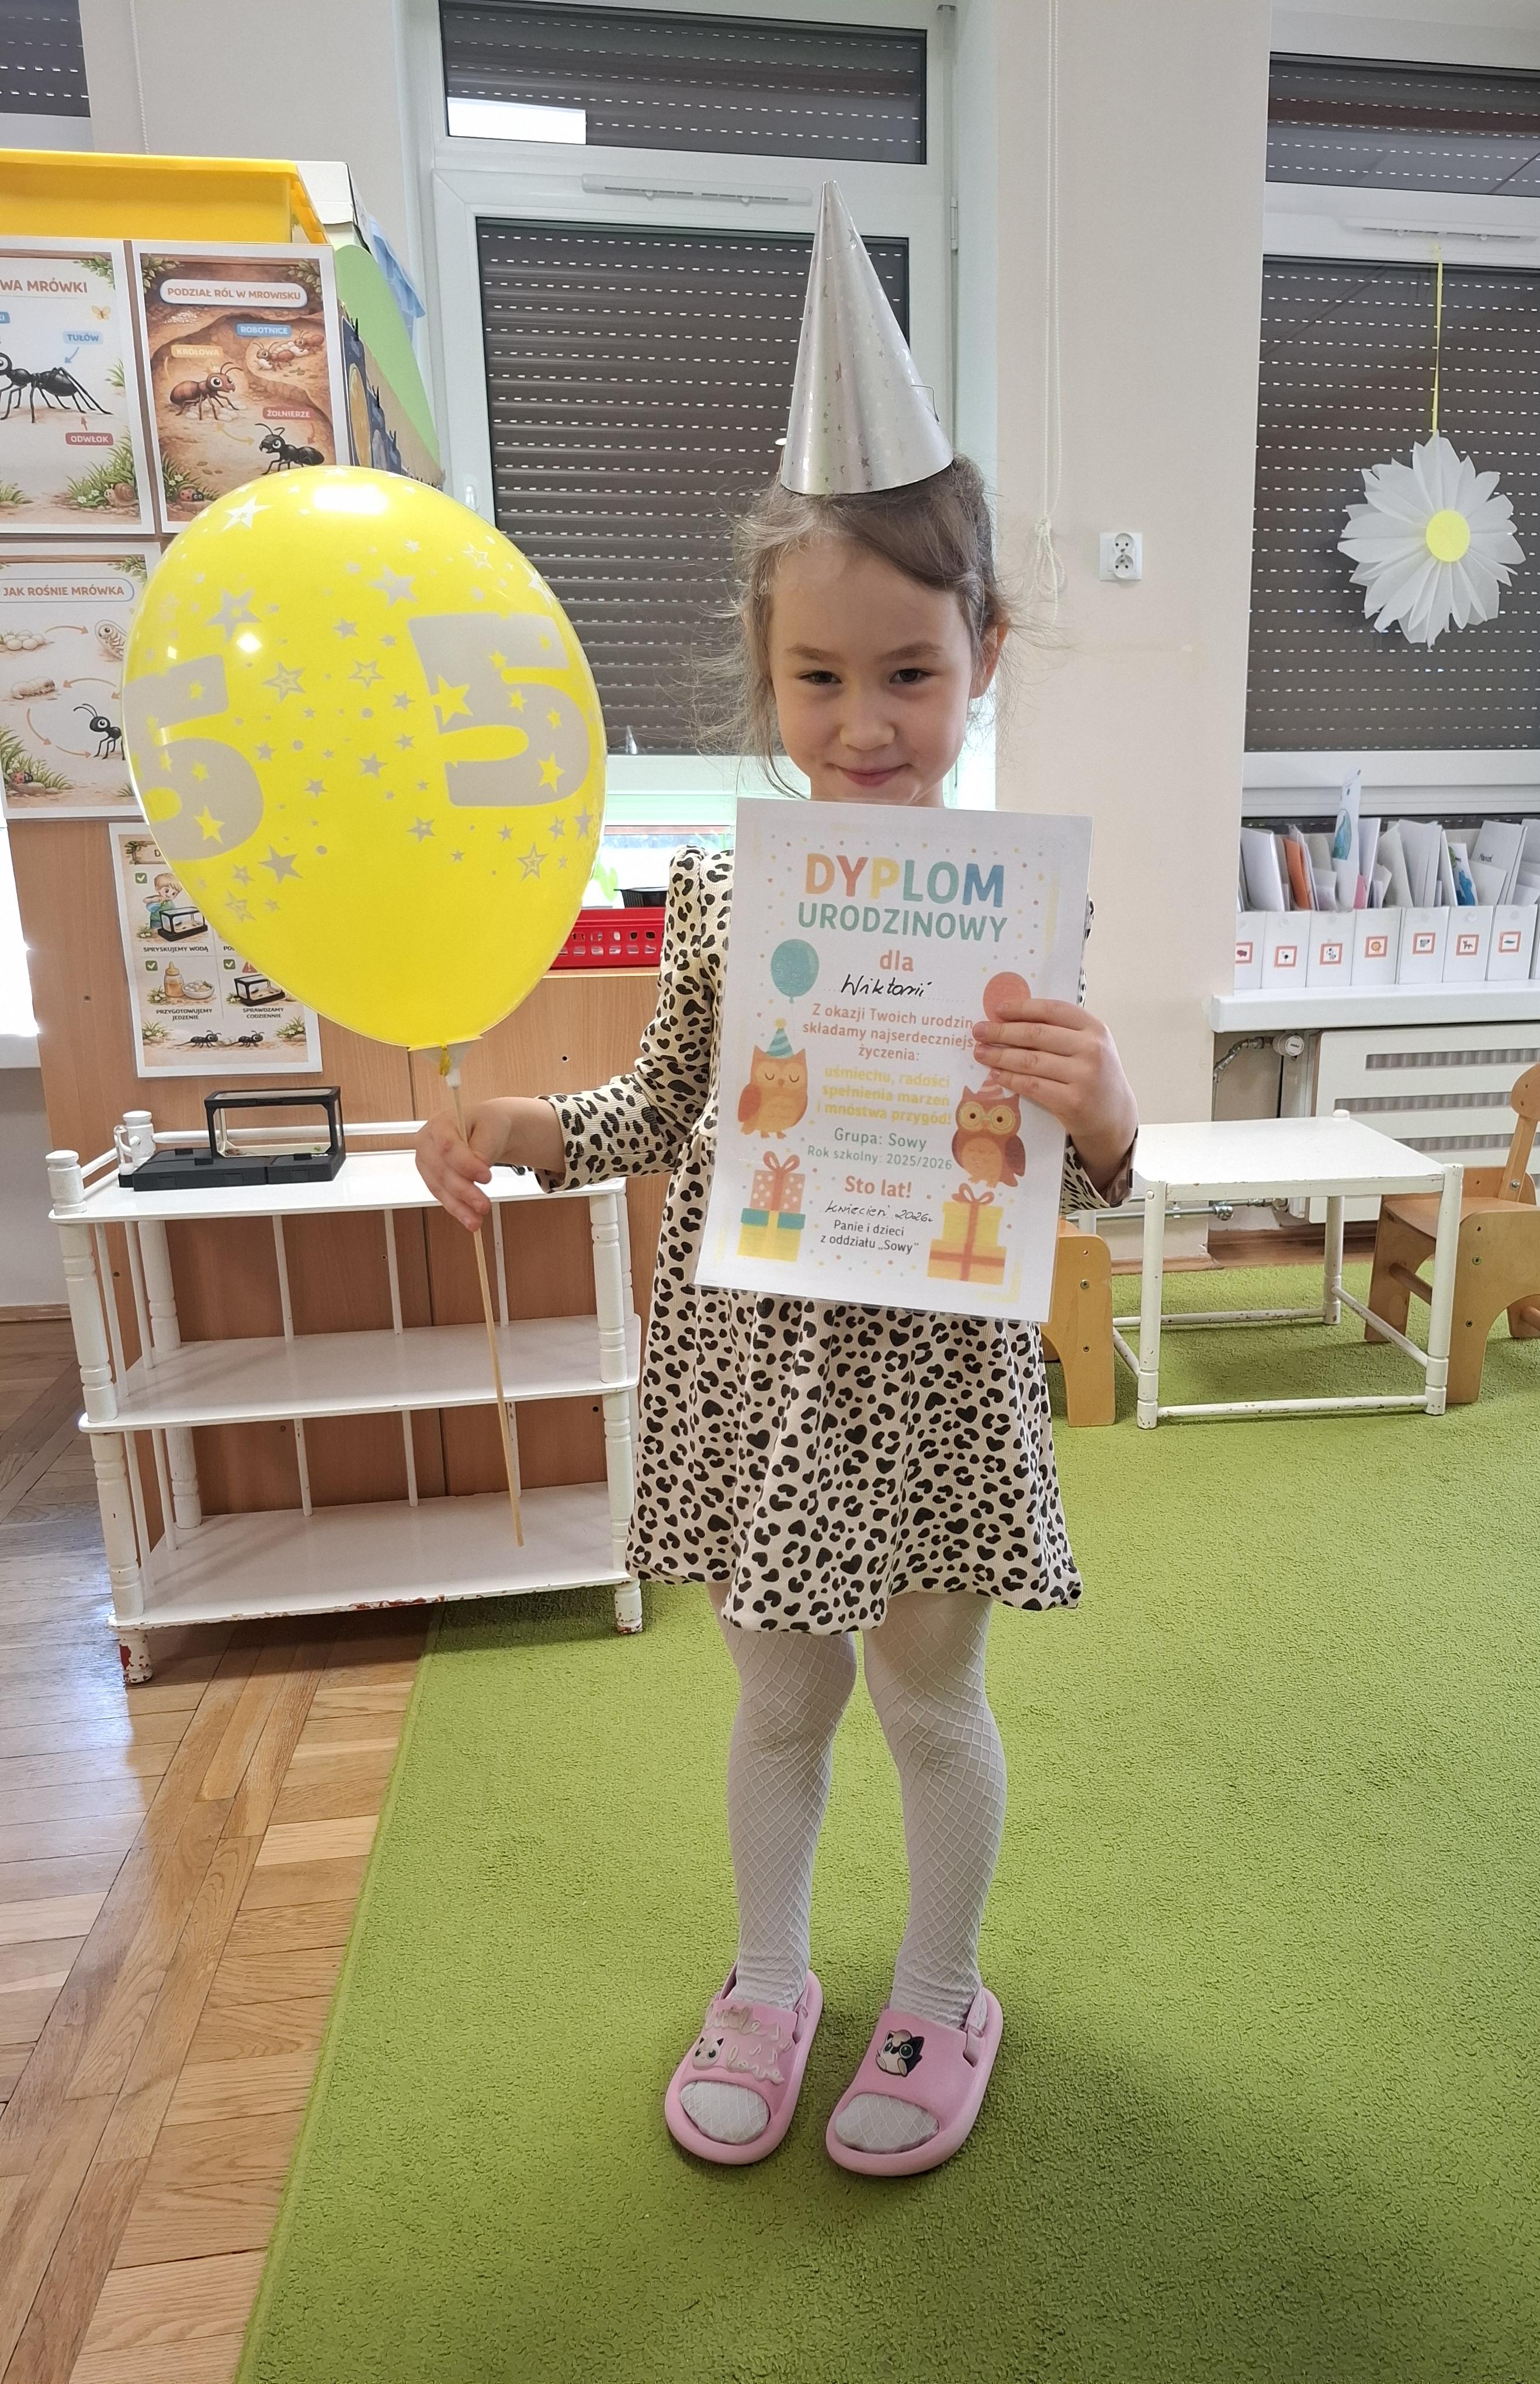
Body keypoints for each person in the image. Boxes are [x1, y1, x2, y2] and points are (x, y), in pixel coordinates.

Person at [415, 185, 1139, 2178]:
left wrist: (1105, 1110)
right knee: (774, 1707)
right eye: (818, 678)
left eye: (908, 672)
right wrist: (522, 1126)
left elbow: (1066, 1177)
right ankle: (767, 1977)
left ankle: (940, 1989)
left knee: (927, 1706)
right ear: (763, 667)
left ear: (981, 656)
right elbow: (669, 1106)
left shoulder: (1021, 903)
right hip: (756, 1364)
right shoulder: (722, 888)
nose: (863, 722)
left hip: (932, 1371)